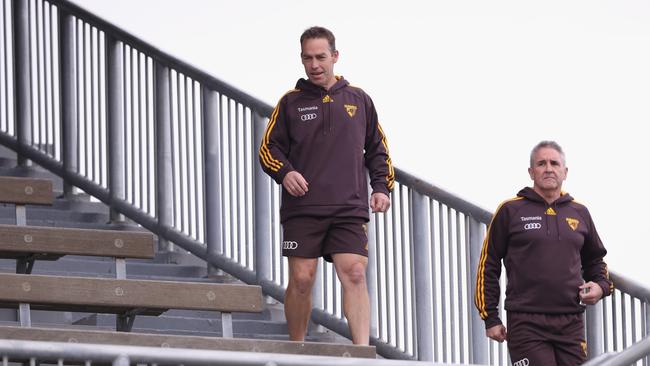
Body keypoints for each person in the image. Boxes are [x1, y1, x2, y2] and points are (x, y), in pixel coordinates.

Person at [258, 26, 394, 345]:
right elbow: (268, 149)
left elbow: (378, 149)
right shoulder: (289, 103)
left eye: (321, 57)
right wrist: (285, 172)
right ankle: (297, 348)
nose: (315, 64)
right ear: (302, 60)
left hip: (349, 207)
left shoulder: (360, 99)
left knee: (355, 274)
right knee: (302, 279)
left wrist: (381, 187)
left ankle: (362, 352)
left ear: (335, 56)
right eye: (308, 58)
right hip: (303, 208)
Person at [474, 140, 613, 365]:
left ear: (565, 172)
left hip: (571, 322)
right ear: (531, 172)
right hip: (526, 324)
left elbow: (595, 260)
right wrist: (490, 317)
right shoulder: (510, 210)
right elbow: (488, 264)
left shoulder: (580, 212)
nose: (548, 168)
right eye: (541, 163)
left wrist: (602, 286)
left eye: (554, 163)